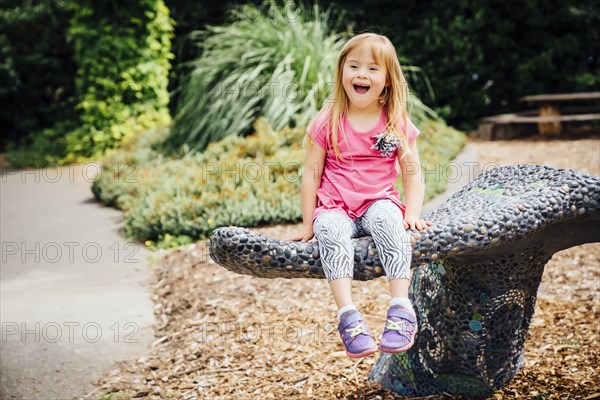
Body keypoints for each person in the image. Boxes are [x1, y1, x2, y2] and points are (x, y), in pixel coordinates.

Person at [289, 33, 432, 358]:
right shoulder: (327, 121)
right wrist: (308, 222)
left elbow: (413, 172)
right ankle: (348, 316)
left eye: (372, 69)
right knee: (329, 231)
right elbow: (311, 174)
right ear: (342, 72)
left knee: (388, 221)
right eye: (354, 66)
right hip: (335, 206)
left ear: (387, 81)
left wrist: (411, 212)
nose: (361, 74)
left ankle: (400, 307)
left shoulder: (394, 122)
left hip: (377, 201)